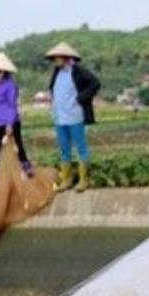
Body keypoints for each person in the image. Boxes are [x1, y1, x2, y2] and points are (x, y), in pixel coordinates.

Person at [45, 42, 100, 192]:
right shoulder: (57, 72)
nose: (55, 61)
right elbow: (53, 89)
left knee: (81, 148)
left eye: (57, 58)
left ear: (65, 57)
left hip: (75, 116)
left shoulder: (77, 71)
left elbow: (95, 83)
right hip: (59, 117)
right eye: (54, 58)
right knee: (64, 149)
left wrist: (80, 98)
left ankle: (83, 180)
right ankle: (66, 180)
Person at [0, 52, 33, 178]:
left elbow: (12, 106)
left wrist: (10, 124)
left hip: (11, 121)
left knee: (17, 145)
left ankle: (26, 168)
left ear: (2, 71)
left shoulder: (10, 85)